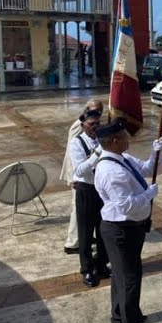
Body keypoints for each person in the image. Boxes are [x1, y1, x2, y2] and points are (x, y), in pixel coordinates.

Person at [94, 118, 162, 323]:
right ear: (114, 141)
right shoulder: (110, 170)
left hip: (129, 229)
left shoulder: (122, 159)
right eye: (124, 136)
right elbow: (127, 205)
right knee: (130, 279)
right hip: (120, 230)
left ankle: (120, 315)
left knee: (121, 276)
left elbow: (145, 168)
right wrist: (149, 194)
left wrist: (155, 154)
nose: (128, 139)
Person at [67, 109, 110, 288]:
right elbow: (80, 170)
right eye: (91, 124)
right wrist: (97, 153)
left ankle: (101, 264)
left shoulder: (102, 139)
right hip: (86, 190)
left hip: (102, 190)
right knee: (85, 232)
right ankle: (86, 270)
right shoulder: (76, 143)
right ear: (83, 125)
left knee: (103, 230)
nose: (95, 127)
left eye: (97, 123)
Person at [60, 99, 103, 255]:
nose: (98, 114)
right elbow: (74, 155)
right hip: (78, 176)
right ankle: (72, 243)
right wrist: (73, 179)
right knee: (78, 211)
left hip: (89, 176)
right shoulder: (79, 126)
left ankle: (84, 237)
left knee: (87, 214)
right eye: (94, 110)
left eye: (100, 111)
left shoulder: (94, 125)